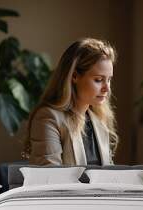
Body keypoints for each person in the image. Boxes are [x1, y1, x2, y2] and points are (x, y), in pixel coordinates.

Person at [25, 38, 119, 166]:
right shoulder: (48, 118)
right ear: (74, 76)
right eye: (98, 80)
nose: (107, 88)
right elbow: (50, 178)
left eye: (108, 80)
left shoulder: (98, 120)